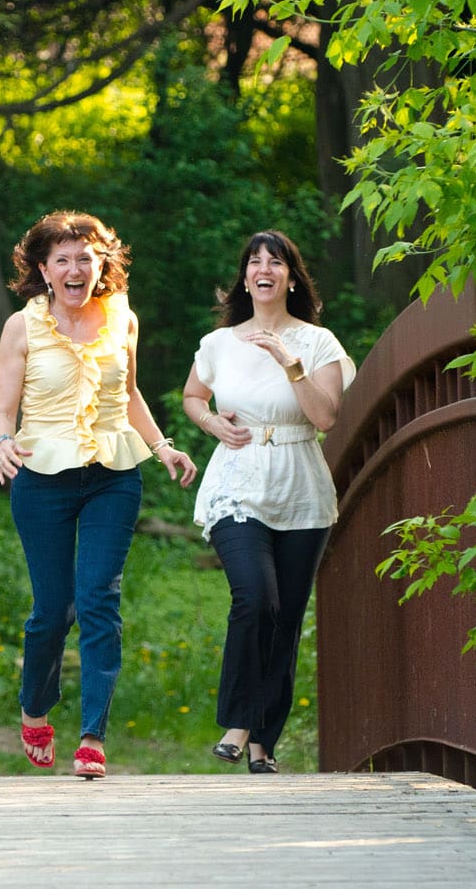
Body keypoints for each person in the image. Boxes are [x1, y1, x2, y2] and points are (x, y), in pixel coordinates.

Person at [0, 210, 197, 779]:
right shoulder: (21, 327)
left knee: (100, 599)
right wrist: (3, 443)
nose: (76, 268)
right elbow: (3, 409)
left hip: (113, 473)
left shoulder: (122, 318)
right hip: (42, 476)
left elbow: (129, 395)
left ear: (102, 262)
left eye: (86, 257)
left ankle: (91, 737)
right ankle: (36, 710)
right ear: (44, 269)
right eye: (63, 259)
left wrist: (164, 448)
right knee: (51, 612)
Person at [180, 229, 356, 775]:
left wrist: (289, 361)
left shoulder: (319, 342)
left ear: (290, 276)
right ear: (245, 278)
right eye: (254, 261)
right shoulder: (219, 344)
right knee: (256, 598)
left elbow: (325, 418)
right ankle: (239, 723)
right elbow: (193, 396)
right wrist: (211, 422)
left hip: (300, 481)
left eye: (275, 262)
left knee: (286, 616)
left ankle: (262, 743)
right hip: (239, 477)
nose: (264, 269)